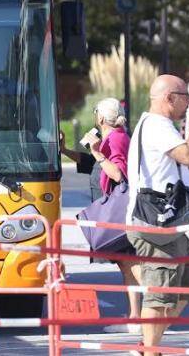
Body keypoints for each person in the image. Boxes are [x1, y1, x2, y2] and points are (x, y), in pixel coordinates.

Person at [126, 75, 189, 354]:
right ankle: (149, 349)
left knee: (185, 287)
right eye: (186, 96)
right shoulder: (158, 126)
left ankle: (148, 344)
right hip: (156, 224)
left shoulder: (157, 125)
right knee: (160, 294)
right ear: (169, 98)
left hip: (170, 223)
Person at [62, 98, 139, 333]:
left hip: (118, 210)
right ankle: (135, 317)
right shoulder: (111, 138)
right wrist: (66, 150)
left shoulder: (115, 138)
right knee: (128, 264)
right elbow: (91, 164)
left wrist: (97, 153)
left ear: (102, 118)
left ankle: (136, 319)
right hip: (114, 209)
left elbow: (117, 173)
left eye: (96, 112)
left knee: (129, 264)